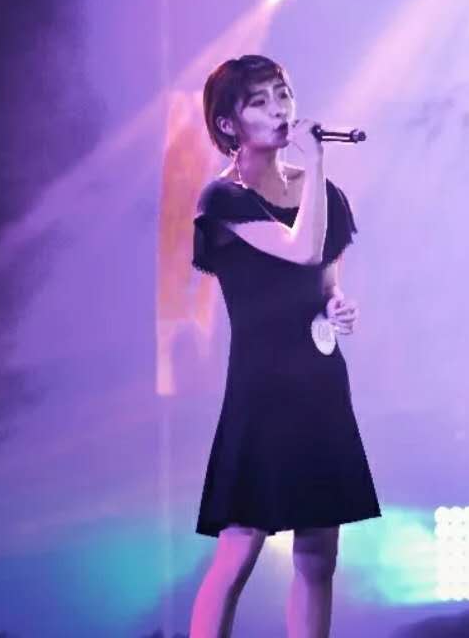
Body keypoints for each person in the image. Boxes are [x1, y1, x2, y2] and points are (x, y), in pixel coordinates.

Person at [187, 55, 379, 638]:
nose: (279, 110)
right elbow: (300, 248)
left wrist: (337, 306)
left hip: (318, 379)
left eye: (283, 95)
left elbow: (323, 279)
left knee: (319, 553)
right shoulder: (224, 199)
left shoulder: (324, 193)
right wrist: (316, 163)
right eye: (260, 101)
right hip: (261, 384)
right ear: (228, 124)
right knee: (240, 545)